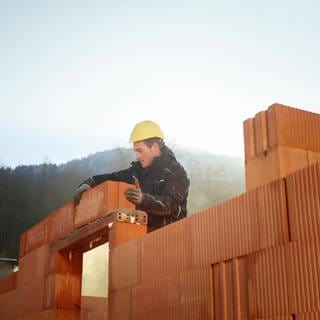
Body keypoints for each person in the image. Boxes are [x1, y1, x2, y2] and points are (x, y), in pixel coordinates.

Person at [74, 120, 190, 232]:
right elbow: (114, 177)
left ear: (154, 148)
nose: (137, 157)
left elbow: (171, 205)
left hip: (171, 239)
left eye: (140, 151)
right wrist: (90, 182)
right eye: (135, 151)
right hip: (142, 239)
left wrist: (143, 199)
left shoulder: (176, 171)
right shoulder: (137, 171)